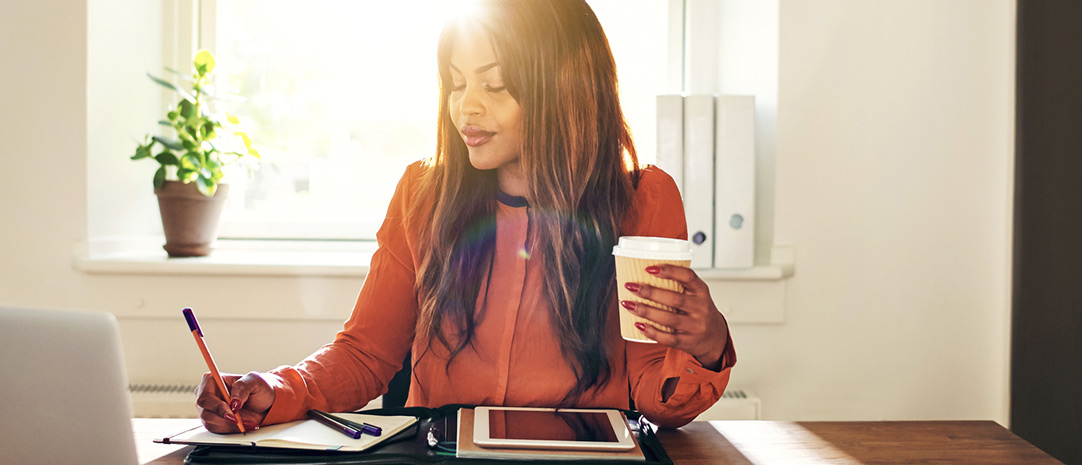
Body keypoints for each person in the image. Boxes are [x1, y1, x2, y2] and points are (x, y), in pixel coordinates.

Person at [196, 0, 734, 433]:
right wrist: (276, 388)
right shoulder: (423, 195)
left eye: (493, 85)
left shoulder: (644, 200)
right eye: (457, 83)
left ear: (564, 87)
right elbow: (365, 355)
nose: (465, 108)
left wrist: (705, 348)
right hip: (442, 452)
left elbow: (654, 397)